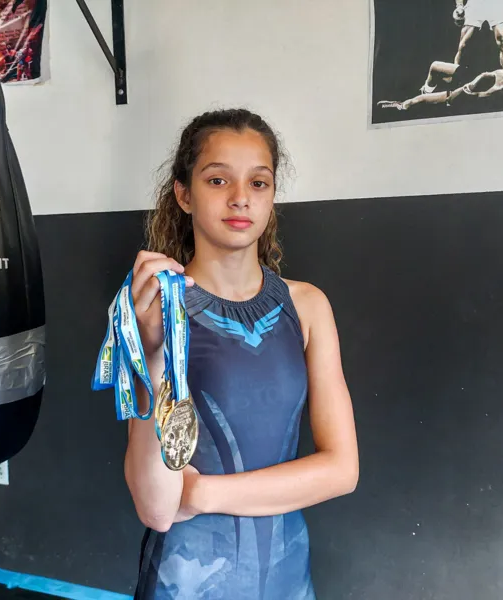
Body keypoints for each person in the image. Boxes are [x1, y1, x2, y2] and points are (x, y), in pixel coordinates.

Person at [121, 108, 360, 599]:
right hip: (185, 582)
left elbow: (342, 470)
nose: (239, 199)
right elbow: (158, 508)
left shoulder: (308, 306)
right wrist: (153, 353)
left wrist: (205, 493)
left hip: (288, 580)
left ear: (272, 196)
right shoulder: (156, 310)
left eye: (258, 183)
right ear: (184, 194)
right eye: (216, 180)